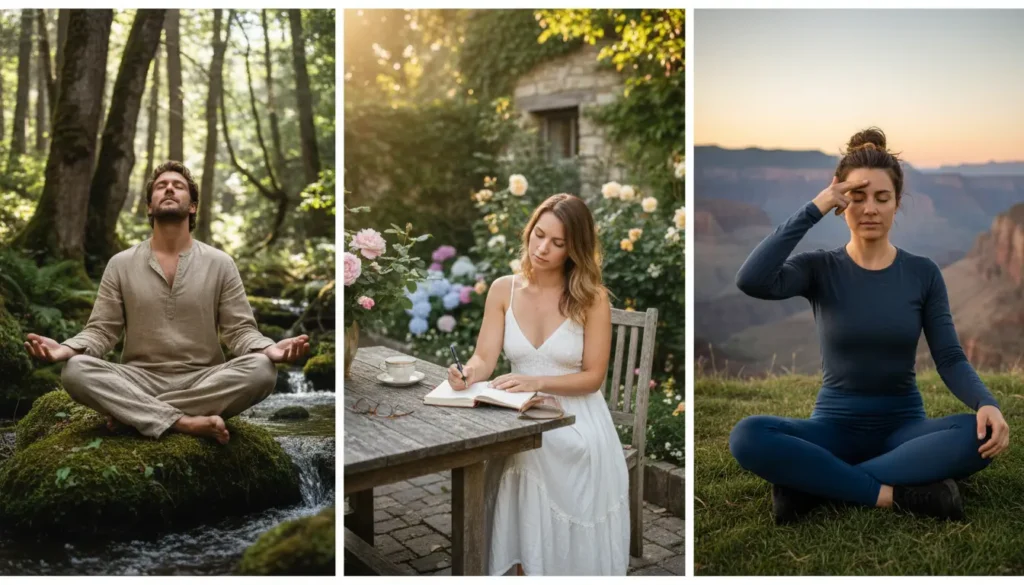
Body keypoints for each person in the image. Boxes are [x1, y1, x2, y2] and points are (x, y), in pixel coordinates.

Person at [728, 128, 1010, 523]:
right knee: (747, 436)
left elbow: (948, 357)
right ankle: (894, 494)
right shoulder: (819, 268)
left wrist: (986, 403)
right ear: (841, 204)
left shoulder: (923, 273)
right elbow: (751, 280)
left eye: (882, 197)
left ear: (897, 204)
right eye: (857, 197)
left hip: (903, 432)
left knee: (978, 435)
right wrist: (816, 205)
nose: (870, 209)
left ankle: (813, 486)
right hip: (832, 429)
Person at [23, 161, 310, 445]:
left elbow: (239, 331)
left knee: (262, 370)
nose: (169, 189)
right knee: (75, 370)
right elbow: (102, 331)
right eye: (161, 186)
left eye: (178, 186)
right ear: (150, 206)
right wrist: (67, 348)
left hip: (204, 379)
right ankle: (185, 422)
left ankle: (134, 415)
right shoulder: (120, 264)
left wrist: (269, 348)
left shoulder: (221, 263)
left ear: (193, 206)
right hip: (139, 379)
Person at [445, 193, 628, 575]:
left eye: (558, 243)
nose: (543, 248)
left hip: (574, 421)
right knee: (516, 449)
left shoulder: (591, 299)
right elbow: (484, 359)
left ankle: (538, 567)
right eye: (539, 235)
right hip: (516, 416)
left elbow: (593, 379)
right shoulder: (502, 289)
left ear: (574, 248)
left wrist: (536, 381)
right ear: (529, 232)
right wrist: (467, 374)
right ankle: (520, 565)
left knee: (531, 454)